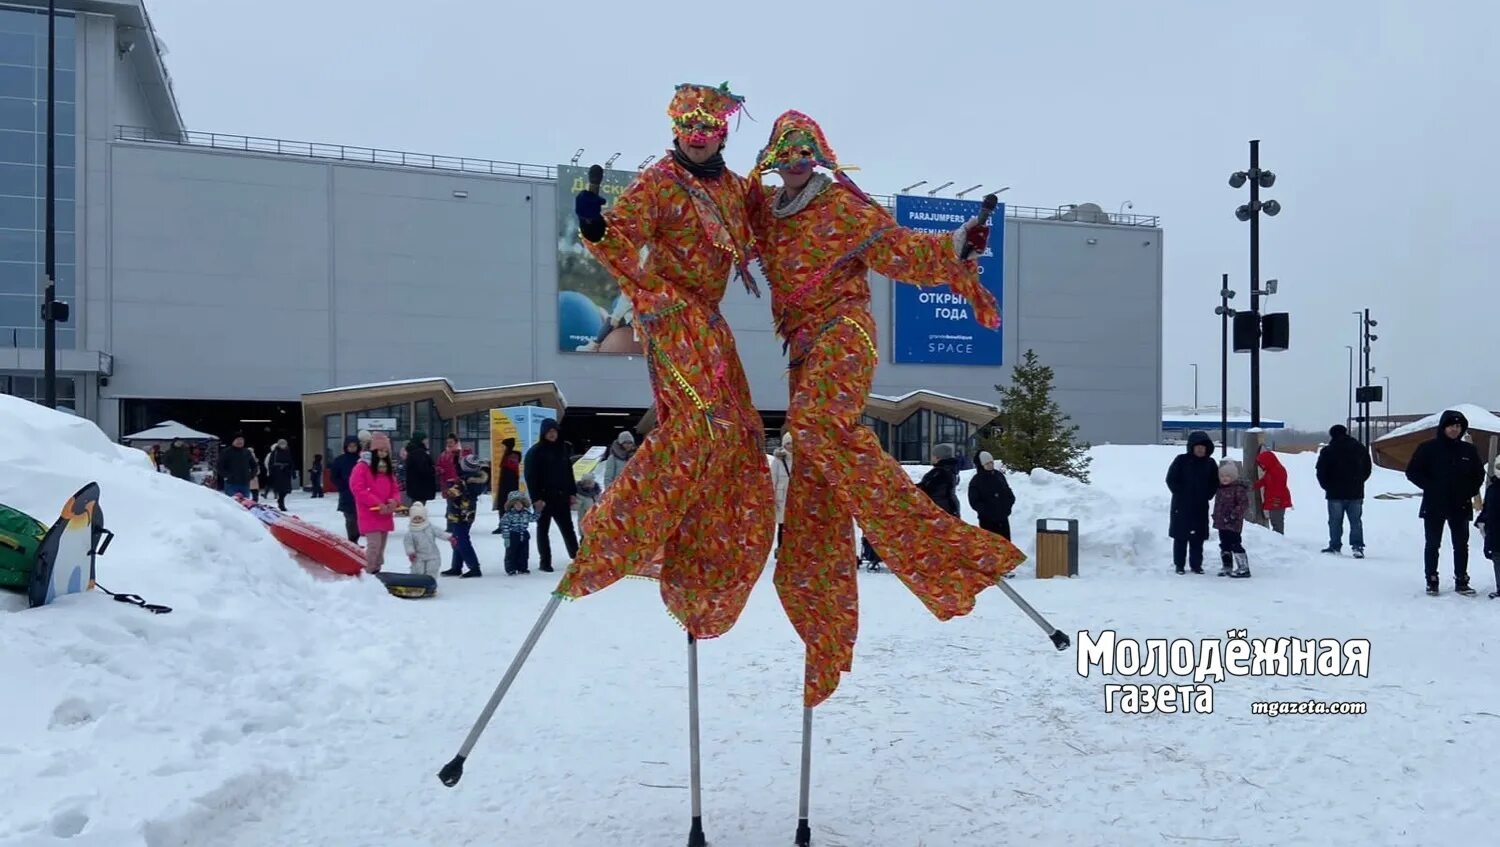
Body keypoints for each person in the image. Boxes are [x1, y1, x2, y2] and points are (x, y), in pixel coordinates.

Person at [744, 109, 1022, 707]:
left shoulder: (843, 208)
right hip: (799, 353)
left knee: (820, 428)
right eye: (783, 155)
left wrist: (958, 242)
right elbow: (717, 230)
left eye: (803, 154)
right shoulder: (766, 215)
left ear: (816, 156)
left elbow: (902, 252)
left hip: (846, 333)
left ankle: (937, 546)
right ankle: (825, 636)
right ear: (772, 159)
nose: (793, 165)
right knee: (814, 482)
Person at [557, 81, 775, 638]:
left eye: (709, 129)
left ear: (723, 132)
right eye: (689, 129)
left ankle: (708, 548)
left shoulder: (737, 190)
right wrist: (595, 226)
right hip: (668, 311)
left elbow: (779, 227)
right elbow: (621, 237)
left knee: (739, 433)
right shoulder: (659, 182)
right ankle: (625, 530)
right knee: (698, 424)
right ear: (675, 130)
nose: (698, 138)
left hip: (711, 322)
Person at [1405, 409, 1486, 595]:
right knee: (1433, 544)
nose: (1454, 430)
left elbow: (1478, 474)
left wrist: (1470, 491)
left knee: (1461, 544)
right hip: (1435, 504)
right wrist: (1431, 487)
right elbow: (1413, 471)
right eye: (1451, 426)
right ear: (1443, 427)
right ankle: (1432, 579)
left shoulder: (1468, 450)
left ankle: (1462, 579)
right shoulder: (1428, 448)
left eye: (1458, 426)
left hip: (1460, 504)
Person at [523, 418, 580, 573]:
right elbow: (530, 476)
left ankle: (577, 558)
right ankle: (545, 562)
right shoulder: (535, 452)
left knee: (568, 529)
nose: (552, 434)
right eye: (549, 432)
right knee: (543, 530)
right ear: (544, 433)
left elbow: (569, 473)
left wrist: (572, 492)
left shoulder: (562, 449)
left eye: (554, 431)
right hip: (544, 498)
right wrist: (536, 499)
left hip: (561, 497)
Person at [1166, 431, 1219, 574]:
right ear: (1192, 447)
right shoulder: (1181, 460)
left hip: (1200, 507)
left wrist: (1208, 494)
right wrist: (1180, 492)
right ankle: (1179, 565)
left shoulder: (1210, 463)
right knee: (1180, 538)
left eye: (1204, 446)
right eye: (1198, 446)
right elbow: (1171, 479)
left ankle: (1196, 565)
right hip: (1181, 506)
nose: (1201, 449)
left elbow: (1215, 482)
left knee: (1198, 538)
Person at [1316, 424, 1372, 557]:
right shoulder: (1359, 448)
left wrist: (1327, 486)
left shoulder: (1328, 451)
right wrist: (1358, 481)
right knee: (1356, 521)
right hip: (1355, 492)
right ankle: (1357, 546)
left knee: (1335, 521)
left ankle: (1335, 545)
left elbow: (1321, 471)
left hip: (1334, 492)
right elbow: (1367, 469)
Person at [350, 433, 401, 574]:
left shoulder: (387, 468)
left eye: (386, 451)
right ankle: (368, 571)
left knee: (381, 547)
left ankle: (377, 569)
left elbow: (395, 489)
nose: (383, 453)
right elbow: (358, 489)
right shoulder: (362, 467)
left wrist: (394, 501)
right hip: (370, 512)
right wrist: (377, 503)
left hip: (385, 513)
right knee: (374, 545)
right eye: (380, 450)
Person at [441, 454, 487, 579]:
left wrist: (447, 488)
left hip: (459, 513)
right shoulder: (476, 480)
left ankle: (474, 567)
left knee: (461, 540)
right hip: (468, 513)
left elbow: (450, 494)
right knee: (458, 538)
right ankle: (456, 566)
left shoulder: (463, 481)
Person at [1213, 459, 1252, 578]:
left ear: (1233, 477)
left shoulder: (1238, 489)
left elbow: (1243, 504)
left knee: (1235, 543)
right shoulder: (1220, 489)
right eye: (1222, 476)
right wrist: (1215, 516)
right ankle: (1227, 565)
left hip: (1233, 523)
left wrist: (1233, 515)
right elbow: (1218, 505)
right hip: (1221, 523)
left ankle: (1243, 567)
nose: (1225, 478)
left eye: (1228, 476)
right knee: (1224, 544)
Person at [968, 451, 1017, 540]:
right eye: (987, 463)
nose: (990, 465)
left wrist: (1007, 507)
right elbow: (974, 502)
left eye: (991, 462)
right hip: (987, 521)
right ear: (981, 465)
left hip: (1003, 519)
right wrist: (987, 511)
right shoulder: (976, 481)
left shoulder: (999, 476)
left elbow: (1008, 492)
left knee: (1005, 546)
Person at [402, 501, 451, 579]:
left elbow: (440, 533)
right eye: (415, 518)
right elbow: (408, 544)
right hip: (418, 556)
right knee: (418, 570)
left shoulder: (430, 527)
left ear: (424, 517)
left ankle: (431, 584)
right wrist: (411, 553)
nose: (417, 520)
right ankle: (417, 583)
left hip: (432, 554)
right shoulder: (410, 532)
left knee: (432, 569)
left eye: (420, 518)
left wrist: (449, 537)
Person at [330, 435, 363, 542]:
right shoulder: (339, 460)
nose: (352, 448)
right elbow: (334, 477)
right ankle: (352, 541)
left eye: (354, 446)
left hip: (361, 494)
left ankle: (355, 539)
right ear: (346, 447)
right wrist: (343, 486)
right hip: (346, 494)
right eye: (350, 446)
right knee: (350, 519)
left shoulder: (362, 460)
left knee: (359, 518)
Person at [1252, 446, 1292, 535]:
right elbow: (1263, 481)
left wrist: (1276, 500)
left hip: (1278, 501)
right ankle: (1278, 538)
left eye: (1262, 463)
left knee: (1277, 522)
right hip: (1274, 500)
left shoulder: (1278, 471)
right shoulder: (1271, 471)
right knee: (1275, 521)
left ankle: (1279, 539)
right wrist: (1253, 486)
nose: (1261, 466)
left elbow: (1279, 487)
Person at [917, 444, 963, 518]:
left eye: (933, 456)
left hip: (940, 510)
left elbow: (925, 489)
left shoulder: (939, 473)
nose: (932, 458)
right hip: (950, 507)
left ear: (938, 457)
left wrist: (908, 486)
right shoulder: (951, 470)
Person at [499, 490, 538, 576]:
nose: (518, 506)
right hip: (513, 535)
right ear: (512, 505)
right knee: (511, 553)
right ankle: (511, 568)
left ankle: (522, 568)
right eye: (516, 504)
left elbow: (533, 519)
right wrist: (506, 537)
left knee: (524, 553)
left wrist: (537, 511)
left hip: (524, 535)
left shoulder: (526, 513)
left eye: (520, 503)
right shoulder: (508, 515)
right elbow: (504, 525)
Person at [1476, 471, 1500, 598]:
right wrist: (1481, 519)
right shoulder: (1493, 489)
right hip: (1495, 531)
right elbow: (1487, 509)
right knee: (1497, 557)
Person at [492, 437, 521, 534]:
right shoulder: (508, 455)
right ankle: (503, 525)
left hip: (510, 485)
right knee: (502, 505)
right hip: (505, 484)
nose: (503, 448)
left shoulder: (512, 456)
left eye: (505, 446)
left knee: (509, 505)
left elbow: (511, 470)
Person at [403, 432, 438, 506]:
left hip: (416, 488)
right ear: (420, 440)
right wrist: (434, 470)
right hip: (420, 488)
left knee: (417, 508)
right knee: (419, 510)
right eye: (425, 439)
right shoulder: (419, 453)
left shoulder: (414, 452)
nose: (427, 441)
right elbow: (424, 469)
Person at [217, 434, 256, 500]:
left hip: (245, 483)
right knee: (233, 504)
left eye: (242, 440)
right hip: (231, 483)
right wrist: (227, 476)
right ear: (233, 441)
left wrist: (251, 475)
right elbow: (219, 466)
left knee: (245, 505)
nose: (240, 441)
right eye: (238, 439)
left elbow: (254, 465)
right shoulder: (226, 452)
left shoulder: (247, 452)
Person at [771, 433, 792, 552]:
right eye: (788, 443)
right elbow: (773, 478)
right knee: (782, 524)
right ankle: (781, 548)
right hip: (782, 496)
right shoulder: (778, 460)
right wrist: (772, 496)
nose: (791, 446)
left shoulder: (800, 459)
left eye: (792, 443)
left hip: (796, 496)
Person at [268, 438, 294, 511]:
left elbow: (291, 461)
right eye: (281, 444)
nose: (283, 445)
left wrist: (292, 471)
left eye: (284, 444)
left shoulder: (288, 451)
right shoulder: (275, 452)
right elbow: (271, 463)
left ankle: (280, 499)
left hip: (286, 472)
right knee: (280, 489)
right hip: (278, 472)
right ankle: (281, 503)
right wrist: (271, 472)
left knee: (286, 489)